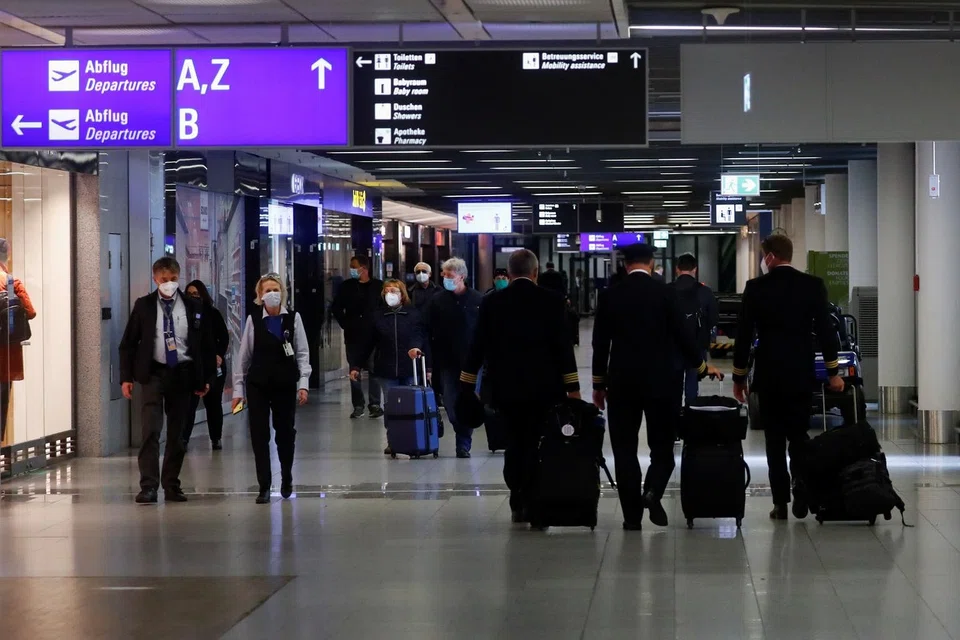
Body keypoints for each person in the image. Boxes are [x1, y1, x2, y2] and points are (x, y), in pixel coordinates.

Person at [592, 243, 721, 530]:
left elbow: (600, 344)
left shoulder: (611, 295)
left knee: (624, 450)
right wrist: (702, 367)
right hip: (664, 382)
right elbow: (684, 336)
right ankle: (652, 491)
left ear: (626, 265)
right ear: (651, 263)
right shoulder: (666, 293)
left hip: (623, 383)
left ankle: (632, 518)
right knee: (662, 448)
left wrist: (599, 384)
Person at [461, 249, 580, 523]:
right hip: (545, 388)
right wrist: (572, 388)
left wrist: (467, 383)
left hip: (506, 388)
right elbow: (563, 348)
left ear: (510, 273)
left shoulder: (493, 302)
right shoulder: (553, 301)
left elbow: (477, 345)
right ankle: (535, 499)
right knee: (538, 442)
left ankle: (517, 496)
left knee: (514, 441)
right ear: (535, 273)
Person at [732, 234, 844, 521]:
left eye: (763, 256)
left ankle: (780, 503)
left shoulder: (756, 288)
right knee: (798, 436)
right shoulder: (812, 285)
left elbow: (743, 336)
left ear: (770, 256)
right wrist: (833, 372)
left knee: (773, 440)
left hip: (769, 375)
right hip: (800, 373)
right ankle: (802, 487)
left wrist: (739, 377)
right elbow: (826, 331)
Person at [119, 257, 216, 505]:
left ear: (179, 277)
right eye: (164, 279)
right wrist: (126, 377)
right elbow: (128, 343)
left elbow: (205, 346)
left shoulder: (193, 306)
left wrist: (205, 378)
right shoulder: (144, 306)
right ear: (155, 279)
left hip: (182, 373)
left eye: (173, 279)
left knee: (177, 433)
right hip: (153, 373)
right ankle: (148, 486)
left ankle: (171, 484)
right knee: (150, 430)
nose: (169, 284)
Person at [232, 274, 311, 504]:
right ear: (260, 295)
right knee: (259, 434)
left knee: (285, 433)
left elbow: (303, 353)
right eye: (267, 290)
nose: (272, 294)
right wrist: (238, 391)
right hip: (257, 384)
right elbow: (243, 357)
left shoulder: (293, 318)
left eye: (275, 289)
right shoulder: (253, 319)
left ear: (282, 292)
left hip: (284, 384)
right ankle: (264, 485)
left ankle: (286, 476)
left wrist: (303, 384)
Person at [349, 280, 426, 455]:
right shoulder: (377, 316)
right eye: (387, 291)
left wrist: (417, 350)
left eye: (394, 291)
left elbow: (419, 335)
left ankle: (411, 439)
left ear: (402, 294)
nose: (390, 294)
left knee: (410, 406)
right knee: (391, 406)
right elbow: (367, 343)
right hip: (386, 368)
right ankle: (393, 441)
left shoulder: (413, 314)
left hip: (409, 368)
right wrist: (356, 365)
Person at [422, 257, 483, 458]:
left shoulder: (477, 300)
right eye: (444, 275)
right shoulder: (437, 301)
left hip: (472, 362)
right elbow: (425, 326)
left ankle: (463, 443)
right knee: (449, 401)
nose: (445, 278)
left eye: (450, 276)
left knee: (468, 401)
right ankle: (459, 428)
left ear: (462, 277)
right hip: (447, 361)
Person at [331, 255, 384, 419]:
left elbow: (383, 308)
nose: (352, 269)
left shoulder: (378, 286)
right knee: (354, 370)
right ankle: (358, 405)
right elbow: (336, 308)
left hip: (374, 335)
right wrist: (345, 324)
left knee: (374, 369)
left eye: (354, 266)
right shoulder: (346, 287)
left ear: (364, 268)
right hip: (353, 335)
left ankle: (375, 404)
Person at [181, 280, 230, 451]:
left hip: (212, 366)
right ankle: (184, 439)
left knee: (213, 403)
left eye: (196, 294)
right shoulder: (183, 315)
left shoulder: (212, 313)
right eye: (189, 294)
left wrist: (219, 355)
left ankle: (216, 437)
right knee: (189, 405)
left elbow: (224, 338)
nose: (193, 297)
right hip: (192, 366)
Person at [669, 253, 719, 402]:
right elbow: (713, 319)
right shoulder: (705, 291)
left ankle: (675, 410)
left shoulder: (667, 290)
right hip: (697, 345)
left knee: (673, 384)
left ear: (677, 269)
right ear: (695, 269)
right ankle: (691, 408)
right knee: (692, 379)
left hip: (673, 346)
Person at [0, 238, 35, 444]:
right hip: (6, 356)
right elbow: (30, 312)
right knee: (2, 402)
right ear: (8, 255)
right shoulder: (12, 283)